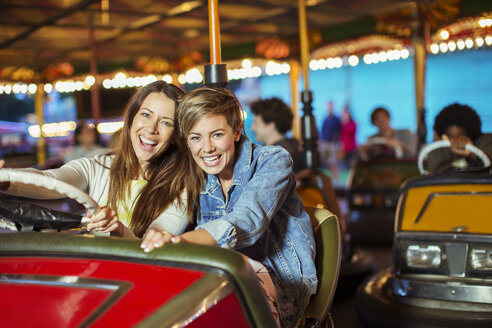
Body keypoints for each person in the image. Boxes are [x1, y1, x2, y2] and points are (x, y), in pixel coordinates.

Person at [142, 87, 317, 327]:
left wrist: (183, 243)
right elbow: (174, 214)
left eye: (216, 135)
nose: (207, 148)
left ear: (236, 131)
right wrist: (157, 235)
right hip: (220, 276)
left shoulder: (273, 159)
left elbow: (246, 220)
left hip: (281, 280)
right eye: (196, 137)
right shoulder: (196, 174)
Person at [0, 81, 201, 238]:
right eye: (146, 115)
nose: (151, 128)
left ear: (176, 136)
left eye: (166, 122)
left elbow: (157, 238)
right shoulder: (99, 165)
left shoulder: (183, 184)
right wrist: (7, 178)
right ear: (131, 119)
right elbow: (51, 179)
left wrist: (119, 230)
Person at [427, 103, 492, 174]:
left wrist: (472, 155)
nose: (455, 140)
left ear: (470, 134)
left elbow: (488, 165)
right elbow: (435, 175)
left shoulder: (487, 141)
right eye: (450, 136)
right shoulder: (437, 150)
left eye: (460, 136)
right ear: (443, 135)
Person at [250, 97, 304, 173]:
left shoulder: (278, 156)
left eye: (256, 123)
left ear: (271, 126)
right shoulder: (291, 147)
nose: (252, 128)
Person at [319, 101, 341, 180]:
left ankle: (336, 178)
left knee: (333, 162)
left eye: (331, 106)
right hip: (325, 143)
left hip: (332, 143)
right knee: (325, 161)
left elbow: (339, 130)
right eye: (328, 107)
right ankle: (329, 179)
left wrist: (337, 141)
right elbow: (323, 130)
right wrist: (321, 143)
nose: (329, 108)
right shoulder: (326, 119)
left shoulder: (336, 119)